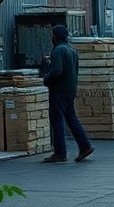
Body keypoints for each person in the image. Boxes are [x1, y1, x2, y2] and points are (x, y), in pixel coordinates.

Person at [40, 25, 94, 163]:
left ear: (55, 37)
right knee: (71, 119)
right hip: (70, 90)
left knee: (57, 121)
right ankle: (85, 146)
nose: (51, 38)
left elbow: (57, 70)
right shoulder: (72, 50)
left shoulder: (58, 50)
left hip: (58, 90)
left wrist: (46, 77)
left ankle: (60, 153)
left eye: (52, 35)